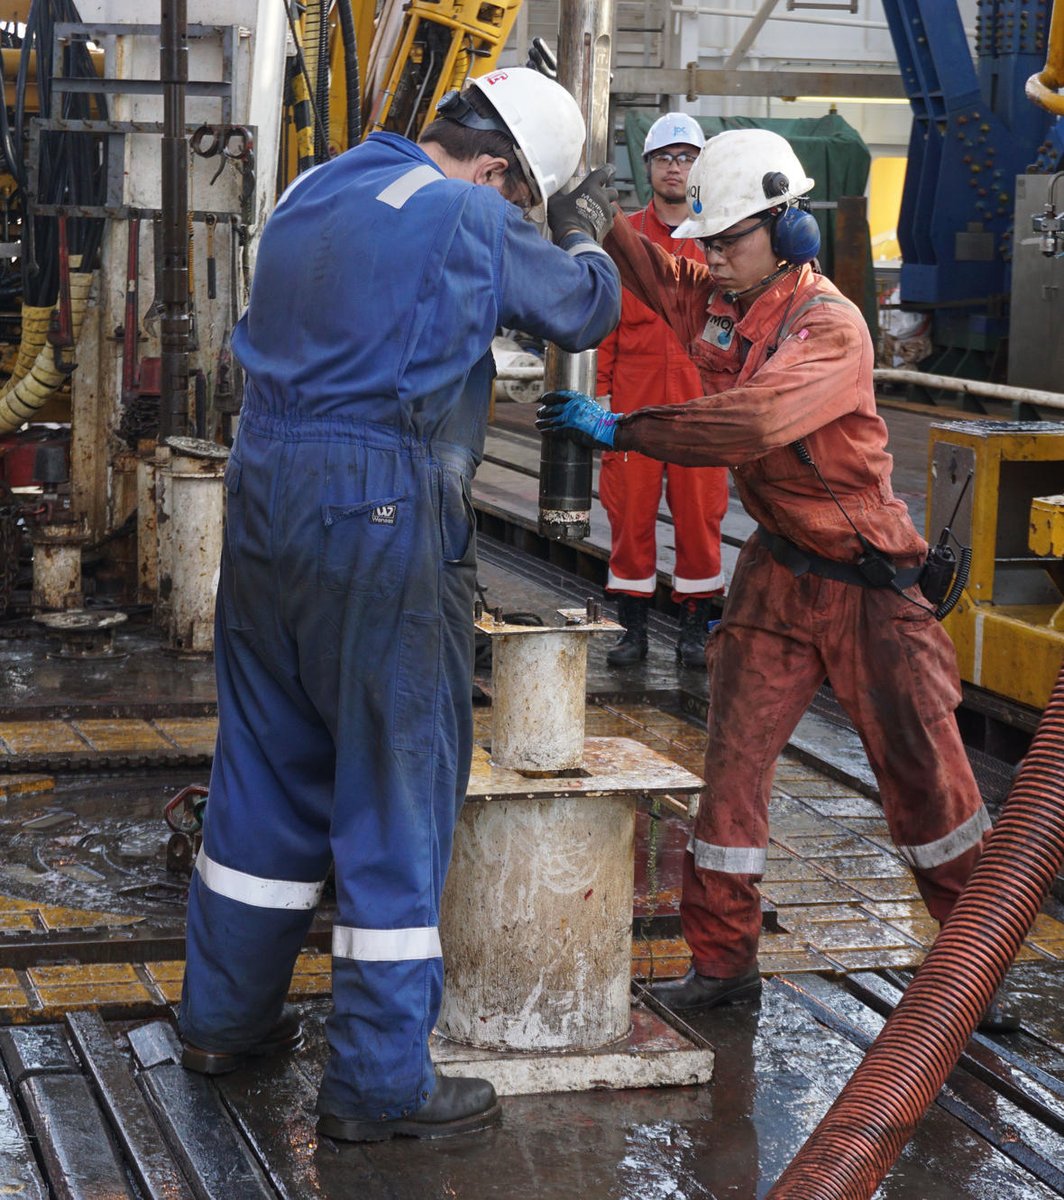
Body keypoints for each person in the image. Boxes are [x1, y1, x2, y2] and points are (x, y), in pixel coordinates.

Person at [177, 66, 621, 1142]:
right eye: (526, 193)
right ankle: (379, 1085)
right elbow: (580, 304)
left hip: (265, 492)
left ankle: (223, 1022)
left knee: (266, 768)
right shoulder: (468, 210)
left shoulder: (314, 185)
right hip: (375, 503)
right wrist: (588, 228)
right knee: (392, 780)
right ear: (505, 170)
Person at [536, 128, 1015, 1029]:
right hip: (778, 575)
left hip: (868, 585)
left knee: (928, 787)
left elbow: (748, 421)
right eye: (708, 243)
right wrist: (595, 219)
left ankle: (971, 974)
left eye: (731, 241)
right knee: (732, 772)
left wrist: (621, 428)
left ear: (788, 230)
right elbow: (659, 274)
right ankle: (722, 964)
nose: (713, 259)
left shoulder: (827, 327)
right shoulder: (724, 302)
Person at [596, 112, 729, 668]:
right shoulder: (621, 239)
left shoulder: (723, 236)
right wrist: (600, 397)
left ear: (700, 168)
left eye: (686, 158)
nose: (675, 168)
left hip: (701, 401)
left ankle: (696, 630)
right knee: (629, 514)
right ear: (647, 166)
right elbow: (601, 324)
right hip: (634, 399)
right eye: (665, 158)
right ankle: (634, 630)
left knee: (700, 516)